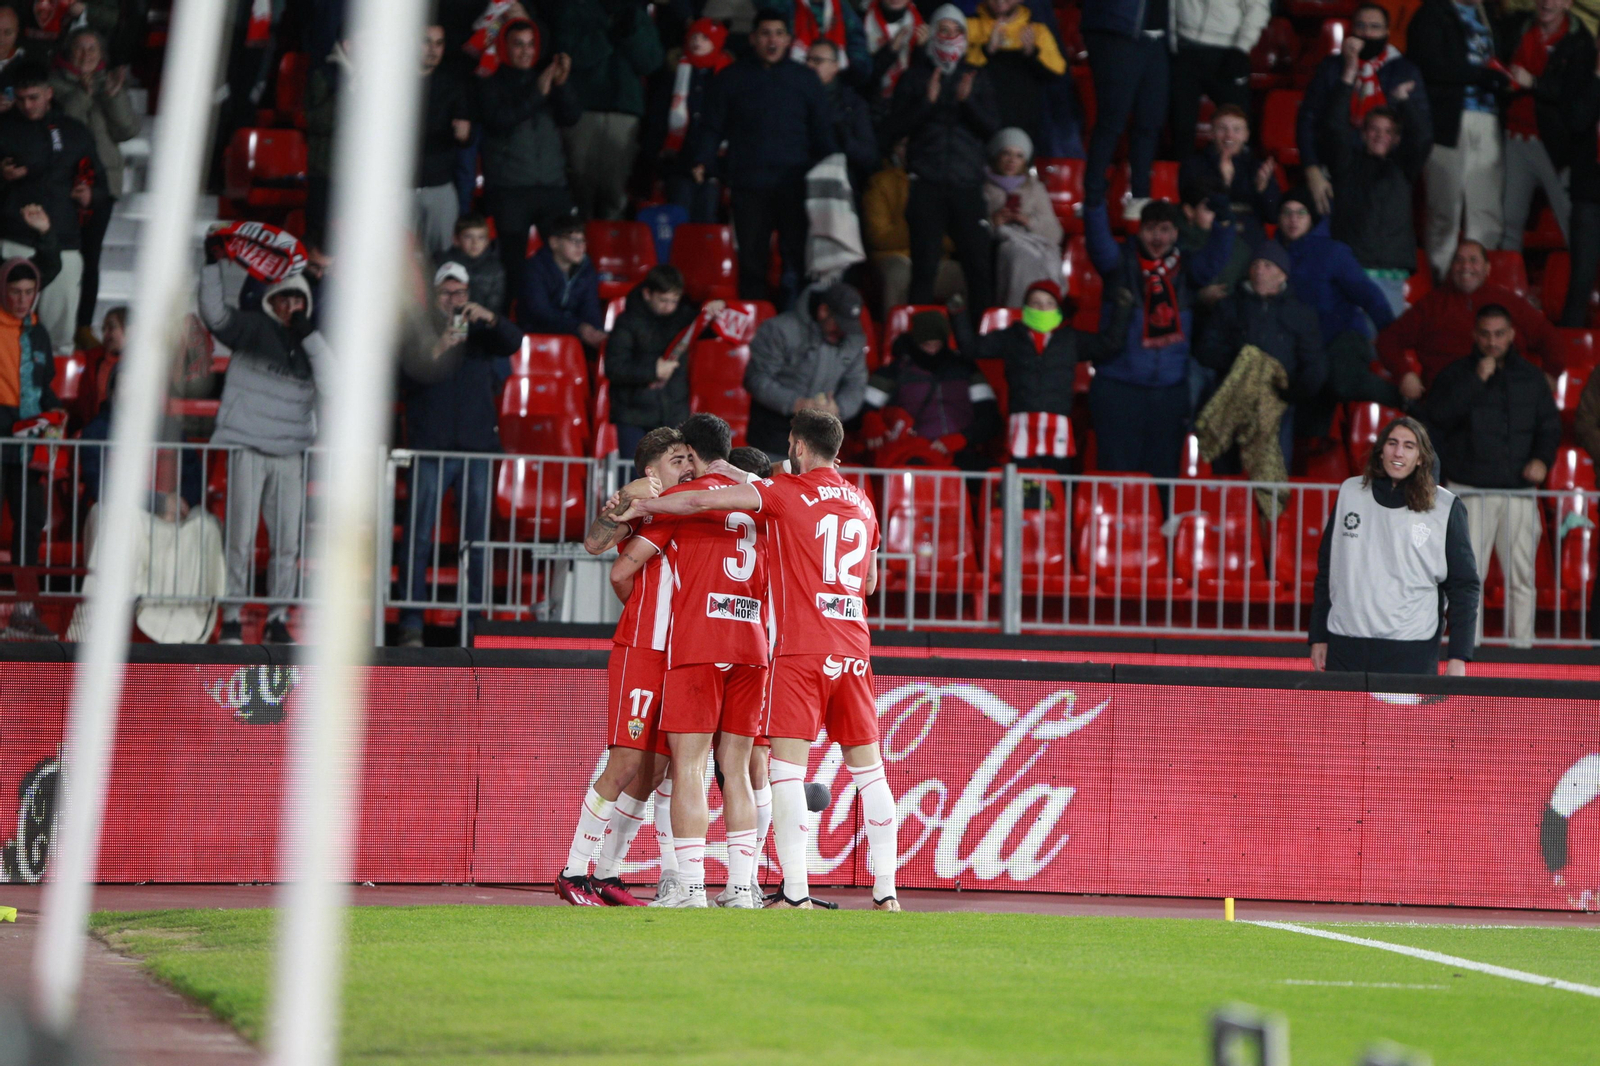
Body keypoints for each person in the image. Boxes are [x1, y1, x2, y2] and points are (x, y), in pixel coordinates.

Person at [619, 409, 902, 911]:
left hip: (797, 648)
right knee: (871, 775)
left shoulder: (784, 495)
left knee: (781, 773)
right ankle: (886, 893)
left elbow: (701, 501)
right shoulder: (862, 501)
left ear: (796, 445)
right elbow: (871, 583)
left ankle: (792, 893)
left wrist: (646, 503)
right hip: (853, 649)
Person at [609, 413, 767, 909]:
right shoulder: (762, 498)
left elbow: (622, 564)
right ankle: (743, 889)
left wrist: (631, 504)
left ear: (693, 454)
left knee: (691, 767)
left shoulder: (686, 501)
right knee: (738, 771)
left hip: (699, 642)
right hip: (753, 643)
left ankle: (690, 889)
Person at [558, 426, 696, 907]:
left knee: (656, 770)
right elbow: (596, 546)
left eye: (689, 458)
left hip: (679, 657)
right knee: (625, 762)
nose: (687, 466)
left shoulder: (690, 508)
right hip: (643, 652)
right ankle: (574, 872)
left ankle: (610, 874)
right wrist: (623, 504)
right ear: (650, 471)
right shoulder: (645, 508)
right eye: (676, 459)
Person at [199, 237, 329, 646]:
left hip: (290, 453)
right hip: (247, 446)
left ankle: (277, 617)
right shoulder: (253, 327)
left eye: (298, 300)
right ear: (272, 300)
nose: (291, 306)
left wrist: (309, 336)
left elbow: (337, 385)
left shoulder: (314, 342)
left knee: (287, 543)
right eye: (284, 299)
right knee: (239, 539)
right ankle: (233, 617)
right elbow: (214, 315)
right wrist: (210, 267)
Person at [394, 262, 524, 648]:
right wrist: (438, 347)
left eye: (460, 292)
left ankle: (475, 626)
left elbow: (514, 341)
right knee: (417, 539)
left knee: (477, 543)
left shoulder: (482, 330)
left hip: (477, 451)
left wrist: (492, 317)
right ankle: (411, 624)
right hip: (430, 449)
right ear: (434, 295)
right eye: (446, 293)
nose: (454, 300)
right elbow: (400, 378)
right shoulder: (415, 328)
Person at [1419, 304, 1561, 646]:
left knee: (1522, 576)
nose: (1492, 341)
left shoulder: (1531, 378)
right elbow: (1435, 421)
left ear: (1511, 335)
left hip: (1519, 491)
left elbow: (1549, 427)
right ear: (1475, 335)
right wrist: (1475, 381)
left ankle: (1523, 649)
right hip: (1468, 491)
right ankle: (1468, 648)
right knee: (1469, 578)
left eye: (1499, 334)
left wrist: (1542, 459)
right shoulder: (1456, 375)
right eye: (1485, 334)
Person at [1310, 416, 1478, 674]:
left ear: (1422, 457)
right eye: (1392, 443)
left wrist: (1459, 656)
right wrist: (1318, 635)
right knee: (1344, 716)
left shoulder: (1446, 507)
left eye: (1409, 446)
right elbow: (1328, 569)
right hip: (1346, 644)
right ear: (1380, 451)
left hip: (1411, 648)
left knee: (1402, 717)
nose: (1398, 452)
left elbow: (1464, 586)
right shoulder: (1350, 493)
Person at [1084, 193, 1235, 480]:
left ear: (1176, 233)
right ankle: (1117, 525)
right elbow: (1098, 241)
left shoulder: (1187, 268)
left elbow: (1216, 257)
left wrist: (1224, 221)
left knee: (1163, 475)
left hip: (1169, 392)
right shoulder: (1120, 263)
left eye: (1165, 229)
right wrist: (1094, 201)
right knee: (1116, 473)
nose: (1158, 237)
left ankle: (1159, 525)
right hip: (1119, 388)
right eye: (1151, 228)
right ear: (1139, 231)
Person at [691, 12, 836, 305]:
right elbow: (712, 126)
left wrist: (833, 166)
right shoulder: (731, 77)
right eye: (766, 33)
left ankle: (795, 324)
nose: (772, 39)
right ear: (754, 38)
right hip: (749, 183)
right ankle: (752, 323)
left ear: (788, 39)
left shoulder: (805, 79)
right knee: (752, 261)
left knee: (796, 259)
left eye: (779, 33)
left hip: (795, 184)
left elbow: (822, 131)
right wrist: (702, 160)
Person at [883, 6, 1000, 313]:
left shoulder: (977, 77)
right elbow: (892, 129)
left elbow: (993, 132)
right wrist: (926, 103)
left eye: (955, 30)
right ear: (933, 34)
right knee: (924, 269)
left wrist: (968, 102)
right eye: (943, 30)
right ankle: (917, 346)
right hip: (926, 185)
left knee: (979, 269)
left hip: (968, 186)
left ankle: (979, 347)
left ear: (964, 36)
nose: (949, 36)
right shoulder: (913, 77)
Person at [954, 279, 1132, 473]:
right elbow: (971, 349)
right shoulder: (1011, 337)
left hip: (1058, 424)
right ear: (1026, 306)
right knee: (1022, 483)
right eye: (1036, 303)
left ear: (1057, 307)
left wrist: (1122, 310)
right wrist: (958, 313)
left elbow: (1110, 345)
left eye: (1048, 303)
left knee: (1058, 483)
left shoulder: (1070, 338)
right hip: (1021, 423)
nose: (1042, 308)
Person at [0, 62, 107, 354]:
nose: (27, 105)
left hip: (63, 241)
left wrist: (89, 195)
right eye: (21, 99)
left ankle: (55, 399)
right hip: (13, 240)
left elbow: (101, 184)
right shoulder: (4, 127)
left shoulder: (75, 131)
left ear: (49, 93)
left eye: (33, 97)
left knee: (59, 340)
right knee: (5, 333)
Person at [1377, 239, 1565, 398]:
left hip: (1501, 403)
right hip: (1445, 403)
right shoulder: (1431, 304)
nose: (1466, 266)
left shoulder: (1511, 303)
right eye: (1459, 260)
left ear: (1487, 268)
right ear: (1452, 267)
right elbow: (1387, 340)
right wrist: (1404, 375)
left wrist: (1551, 374)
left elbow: (1552, 339)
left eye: (1473, 260)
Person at [1196, 241, 1326, 470]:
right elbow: (1207, 349)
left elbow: (1314, 366)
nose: (1259, 270)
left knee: (1270, 477)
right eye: (1255, 265)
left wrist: (1288, 392)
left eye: (1267, 265)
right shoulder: (1229, 307)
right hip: (1233, 402)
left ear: (1282, 275)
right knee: (1227, 475)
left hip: (1278, 406)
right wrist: (1243, 363)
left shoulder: (1301, 314)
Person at [475, 18, 579, 300]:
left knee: (565, 262)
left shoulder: (545, 79)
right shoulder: (490, 84)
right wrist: (537, 94)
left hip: (551, 186)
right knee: (512, 268)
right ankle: (510, 335)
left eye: (531, 45)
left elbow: (571, 116)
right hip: (510, 190)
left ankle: (558, 326)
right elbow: (498, 121)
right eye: (518, 45)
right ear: (505, 48)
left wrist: (563, 84)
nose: (526, 51)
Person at [1298, 3, 1431, 217]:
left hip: (1386, 172)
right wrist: (1312, 169)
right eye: (1361, 26)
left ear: (1387, 32)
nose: (1367, 33)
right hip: (1335, 167)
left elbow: (1419, 132)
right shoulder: (1332, 67)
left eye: (1374, 27)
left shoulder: (1405, 70)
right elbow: (1308, 120)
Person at [1408, 0, 1509, 277]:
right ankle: (1441, 279)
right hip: (1447, 122)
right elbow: (1426, 65)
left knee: (1486, 211)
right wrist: (1480, 76)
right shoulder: (1431, 12)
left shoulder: (1488, 12)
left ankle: (1478, 281)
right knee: (1445, 210)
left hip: (1488, 118)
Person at [47, 28, 136, 345]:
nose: (86, 55)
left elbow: (127, 129)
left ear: (102, 54)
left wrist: (112, 96)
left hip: (102, 181)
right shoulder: (54, 84)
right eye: (80, 48)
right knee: (61, 254)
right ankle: (53, 323)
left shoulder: (109, 82)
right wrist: (82, 94)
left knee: (92, 256)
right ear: (69, 52)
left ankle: (83, 326)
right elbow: (68, 125)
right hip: (65, 181)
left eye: (93, 48)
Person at [1320, 77, 1429, 318]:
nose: (1381, 136)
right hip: (1351, 271)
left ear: (1397, 139)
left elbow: (1422, 137)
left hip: (1390, 274)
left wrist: (1403, 101)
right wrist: (1347, 82)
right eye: (1375, 129)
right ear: (1364, 134)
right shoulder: (1345, 165)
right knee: (1352, 342)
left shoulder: (1404, 168)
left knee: (1386, 346)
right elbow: (1333, 127)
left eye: (1389, 132)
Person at [0, 203, 60, 640]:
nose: (21, 299)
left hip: (29, 439)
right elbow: (50, 263)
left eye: (28, 292)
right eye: (14, 291)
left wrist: (55, 415)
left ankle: (24, 612)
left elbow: (48, 384)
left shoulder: (38, 332)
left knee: (30, 525)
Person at [552, 0, 663, 221]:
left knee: (615, 193)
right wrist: (609, 36)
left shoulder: (634, 12)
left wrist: (630, 34)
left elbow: (651, 62)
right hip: (583, 110)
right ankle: (579, 251)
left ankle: (611, 250)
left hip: (624, 113)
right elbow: (571, 57)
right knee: (580, 191)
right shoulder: (573, 8)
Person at [1498, 0, 1594, 252]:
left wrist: (1534, 83)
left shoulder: (1580, 41)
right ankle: (1508, 287)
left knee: (1574, 227)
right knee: (1508, 224)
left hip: (1553, 147)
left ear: (1568, 3)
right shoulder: (1516, 26)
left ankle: (1587, 289)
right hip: (1513, 140)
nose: (1547, 2)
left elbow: (1574, 95)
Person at [606, 264, 726, 458]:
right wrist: (653, 371)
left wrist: (717, 306)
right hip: (633, 416)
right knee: (634, 481)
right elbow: (614, 368)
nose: (669, 306)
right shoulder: (627, 322)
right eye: (663, 300)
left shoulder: (685, 317)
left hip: (673, 414)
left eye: (674, 300)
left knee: (672, 483)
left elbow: (713, 330)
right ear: (647, 294)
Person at [860, 308, 1001, 470]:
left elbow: (990, 418)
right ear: (915, 341)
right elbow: (864, 408)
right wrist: (870, 420)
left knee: (1001, 479)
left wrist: (962, 439)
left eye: (937, 344)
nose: (933, 351)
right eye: (926, 345)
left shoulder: (967, 370)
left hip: (961, 452)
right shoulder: (893, 371)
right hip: (915, 453)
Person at [744, 281, 868, 460]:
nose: (843, 332)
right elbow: (756, 379)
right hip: (772, 435)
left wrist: (839, 408)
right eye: (838, 324)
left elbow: (856, 384)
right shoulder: (779, 330)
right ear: (823, 311)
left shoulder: (853, 339)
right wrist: (796, 403)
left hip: (820, 440)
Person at [1080, 0, 1170, 217]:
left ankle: (1140, 200)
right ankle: (1092, 201)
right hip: (1116, 32)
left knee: (1149, 122)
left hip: (1158, 37)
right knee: (1112, 121)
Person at [861, 140, 965, 312]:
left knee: (964, 275)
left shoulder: (942, 185)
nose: (912, 150)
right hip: (894, 258)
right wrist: (920, 230)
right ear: (896, 150)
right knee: (897, 276)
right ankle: (897, 335)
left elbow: (953, 240)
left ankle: (952, 333)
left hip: (935, 260)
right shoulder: (880, 183)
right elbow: (877, 237)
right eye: (904, 145)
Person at [649, 18, 733, 224]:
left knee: (705, 220)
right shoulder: (674, 73)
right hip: (679, 161)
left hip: (715, 166)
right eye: (694, 36)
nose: (697, 41)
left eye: (705, 37)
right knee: (678, 218)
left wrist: (708, 162)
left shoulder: (730, 77)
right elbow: (659, 118)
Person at [1168, 0, 1267, 161]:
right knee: (1180, 130)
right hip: (1185, 49)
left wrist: (1241, 47)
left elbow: (1258, 5)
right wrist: (1172, 43)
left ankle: (1235, 183)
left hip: (1228, 52)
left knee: (1235, 128)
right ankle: (1183, 183)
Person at [964, 0, 1068, 145]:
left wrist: (1032, 54)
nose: (1000, 1)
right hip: (976, 126)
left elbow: (1057, 73)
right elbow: (958, 75)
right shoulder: (967, 26)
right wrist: (988, 50)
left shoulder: (1037, 30)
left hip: (1023, 131)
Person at [1177, 104, 1280, 246]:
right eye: (1222, 129)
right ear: (1211, 133)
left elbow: (1273, 215)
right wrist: (1224, 182)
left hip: (1249, 238)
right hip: (1208, 237)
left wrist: (1263, 189)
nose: (1229, 135)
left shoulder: (1258, 168)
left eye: (1236, 129)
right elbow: (1190, 210)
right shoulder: (1193, 165)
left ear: (1246, 135)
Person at [984, 127, 1063, 308]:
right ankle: (1015, 312)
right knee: (1017, 256)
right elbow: (969, 230)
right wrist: (994, 223)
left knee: (1043, 258)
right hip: (1000, 245)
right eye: (1007, 153)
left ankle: (1042, 310)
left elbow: (1055, 234)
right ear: (997, 155)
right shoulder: (982, 188)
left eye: (1019, 155)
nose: (1012, 160)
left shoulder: (1036, 188)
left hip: (1034, 242)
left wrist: (1028, 221)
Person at [415, 23, 472, 261]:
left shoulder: (453, 85)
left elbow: (463, 137)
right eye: (427, 41)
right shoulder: (392, 83)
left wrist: (464, 135)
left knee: (444, 261)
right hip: (398, 188)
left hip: (439, 185)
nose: (433, 49)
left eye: (439, 43)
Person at [517, 215, 604, 353]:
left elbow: (591, 307)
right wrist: (578, 328)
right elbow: (540, 312)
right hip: (538, 334)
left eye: (582, 241)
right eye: (573, 240)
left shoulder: (587, 270)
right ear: (554, 243)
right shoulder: (534, 268)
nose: (580, 246)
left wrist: (594, 330)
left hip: (575, 335)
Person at [806, 39, 877, 191]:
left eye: (817, 61)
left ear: (835, 66)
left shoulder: (853, 105)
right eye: (808, 60)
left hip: (839, 189)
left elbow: (868, 156)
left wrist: (844, 138)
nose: (809, 66)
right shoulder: (794, 99)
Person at [862, 0, 926, 125]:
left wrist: (920, 50)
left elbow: (919, 82)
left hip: (903, 111)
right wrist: (891, 51)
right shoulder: (861, 18)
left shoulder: (920, 25)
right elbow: (860, 78)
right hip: (867, 108)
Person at [436, 214, 506, 316]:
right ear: (456, 240)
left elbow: (494, 308)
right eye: (468, 237)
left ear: (487, 242)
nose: (475, 243)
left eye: (481, 238)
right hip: (444, 322)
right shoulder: (442, 262)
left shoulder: (495, 269)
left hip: (480, 323)